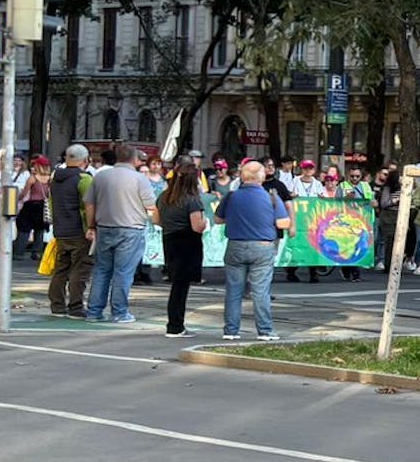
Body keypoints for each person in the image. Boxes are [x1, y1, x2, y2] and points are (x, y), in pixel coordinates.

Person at [214, 161, 290, 340]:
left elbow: (218, 219)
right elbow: (283, 223)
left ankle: (231, 330)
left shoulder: (231, 196)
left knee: (234, 290)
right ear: (262, 177)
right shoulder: (272, 197)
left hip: (235, 245)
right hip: (262, 247)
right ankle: (265, 330)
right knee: (260, 291)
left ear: (242, 176)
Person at [82, 144, 157, 324]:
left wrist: (91, 225)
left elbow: (89, 203)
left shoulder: (101, 176)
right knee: (123, 272)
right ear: (134, 158)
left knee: (101, 270)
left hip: (105, 227)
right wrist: (157, 222)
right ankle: (119, 312)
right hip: (131, 229)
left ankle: (94, 311)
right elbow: (151, 206)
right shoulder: (140, 179)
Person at [158, 159, 208, 337]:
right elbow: (197, 226)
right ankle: (175, 325)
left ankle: (175, 323)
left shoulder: (164, 196)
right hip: (187, 242)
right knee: (181, 287)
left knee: (177, 284)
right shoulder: (192, 200)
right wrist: (205, 222)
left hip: (170, 240)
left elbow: (156, 220)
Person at [46, 145, 94, 318]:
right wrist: (91, 227)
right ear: (85, 160)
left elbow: (51, 203)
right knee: (80, 270)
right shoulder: (84, 179)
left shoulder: (55, 178)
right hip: (78, 231)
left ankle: (57, 305)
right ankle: (75, 307)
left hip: (61, 230)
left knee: (61, 269)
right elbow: (89, 205)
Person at [17, 155, 50, 259]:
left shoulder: (33, 178)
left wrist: (18, 198)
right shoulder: (50, 178)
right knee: (39, 230)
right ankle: (37, 252)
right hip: (43, 206)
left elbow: (24, 193)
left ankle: (19, 252)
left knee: (24, 230)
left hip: (31, 205)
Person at [376, 167, 402, 270]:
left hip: (398, 215)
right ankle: (387, 264)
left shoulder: (401, 188)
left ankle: (395, 263)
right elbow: (384, 203)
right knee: (389, 241)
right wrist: (395, 201)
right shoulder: (387, 188)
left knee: (397, 241)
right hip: (388, 216)